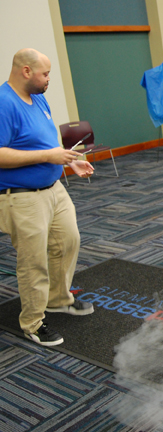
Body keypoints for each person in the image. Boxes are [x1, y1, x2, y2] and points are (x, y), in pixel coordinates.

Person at [0, 48, 96, 346]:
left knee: (68, 241)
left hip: (54, 188)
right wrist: (48, 156)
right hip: (22, 197)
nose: (48, 79)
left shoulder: (38, 98)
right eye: (45, 74)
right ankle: (32, 322)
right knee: (34, 261)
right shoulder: (4, 103)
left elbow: (45, 143)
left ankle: (57, 298)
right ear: (26, 71)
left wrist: (68, 162)